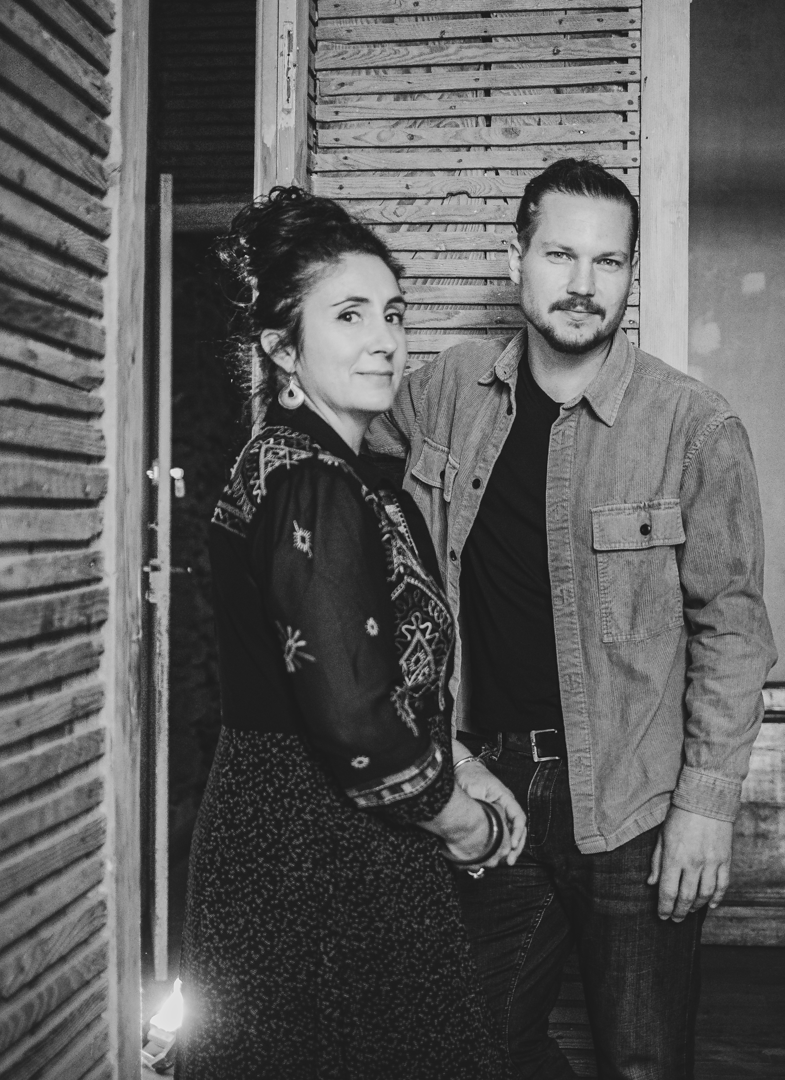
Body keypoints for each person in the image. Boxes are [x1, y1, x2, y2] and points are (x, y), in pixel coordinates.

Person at [367, 159, 778, 1079]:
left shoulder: (695, 426)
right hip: (485, 787)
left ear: (631, 273)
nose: (584, 283)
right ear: (515, 260)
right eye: (560, 255)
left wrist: (705, 808)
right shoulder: (444, 390)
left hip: (633, 800)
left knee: (642, 1062)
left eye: (608, 261)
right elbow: (344, 463)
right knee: (470, 1049)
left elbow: (734, 630)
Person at [175, 186, 527, 1080]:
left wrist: (461, 763)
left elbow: (375, 674)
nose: (385, 339)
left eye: (394, 313)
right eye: (350, 314)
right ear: (282, 348)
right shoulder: (312, 482)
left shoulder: (320, 468)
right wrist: (466, 826)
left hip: (309, 835)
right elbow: (357, 722)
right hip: (318, 849)